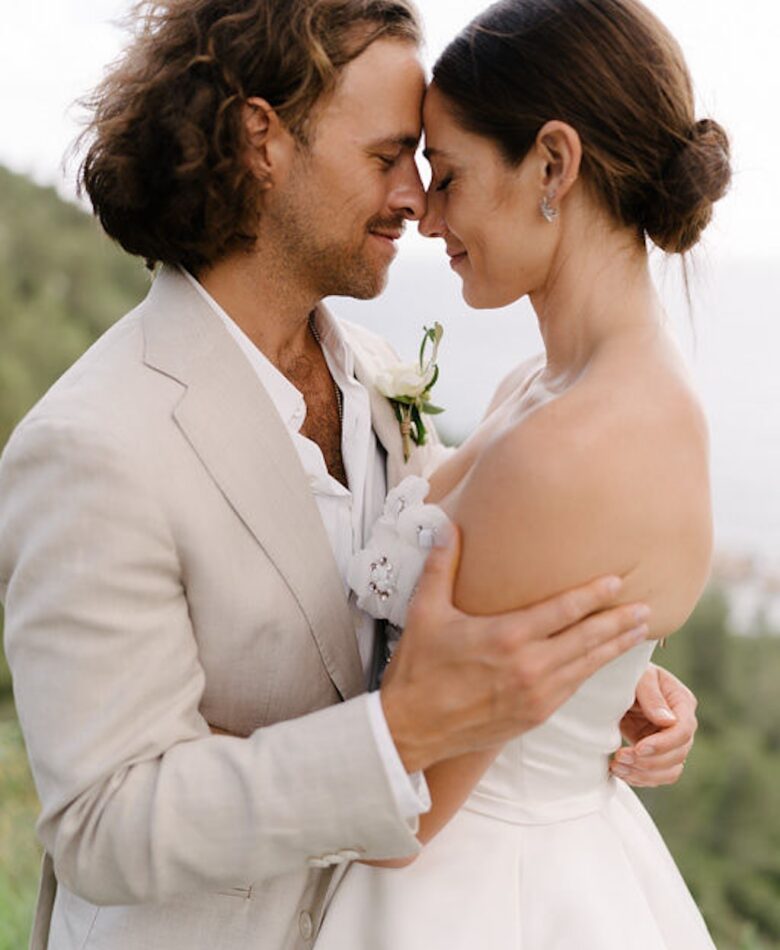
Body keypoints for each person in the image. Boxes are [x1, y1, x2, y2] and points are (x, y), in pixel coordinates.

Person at [0, 2, 697, 949]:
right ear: (262, 143)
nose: (416, 198)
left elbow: (459, 595)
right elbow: (102, 824)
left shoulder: (373, 372)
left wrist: (599, 687)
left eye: (429, 165)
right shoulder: (91, 446)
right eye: (388, 157)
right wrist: (399, 738)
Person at [315, 0, 730, 947]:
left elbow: (403, 814)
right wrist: (617, 691)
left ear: (553, 163)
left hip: (469, 894)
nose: (429, 215)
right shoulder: (547, 389)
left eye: (451, 176)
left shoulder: (570, 449)